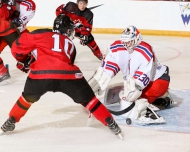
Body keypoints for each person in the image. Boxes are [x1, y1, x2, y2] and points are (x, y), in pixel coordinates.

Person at [0, 14, 123, 139]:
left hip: (40, 76)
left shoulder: (40, 34)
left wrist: (24, 60)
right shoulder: (71, 45)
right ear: (68, 30)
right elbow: (64, 61)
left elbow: (16, 48)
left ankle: (11, 121)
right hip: (69, 76)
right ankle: (111, 123)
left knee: (26, 99)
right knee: (90, 101)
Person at [88, 25, 171, 124]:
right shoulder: (118, 47)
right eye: (124, 41)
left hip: (158, 80)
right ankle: (156, 97)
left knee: (134, 99)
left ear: (137, 39)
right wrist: (101, 78)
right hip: (144, 80)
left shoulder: (145, 50)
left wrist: (133, 89)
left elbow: (143, 77)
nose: (126, 44)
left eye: (129, 41)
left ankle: (160, 99)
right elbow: (109, 66)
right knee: (123, 94)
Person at [0, 0, 36, 85]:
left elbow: (29, 9)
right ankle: (2, 73)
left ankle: (39, 66)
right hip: (5, 30)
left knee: (25, 58)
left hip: (16, 32)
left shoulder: (27, 4)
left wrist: (20, 21)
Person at [0, 0, 19, 85]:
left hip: (9, 31)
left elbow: (7, 14)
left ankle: (42, 69)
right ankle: (3, 73)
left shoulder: (5, 6)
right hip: (4, 30)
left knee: (22, 53)